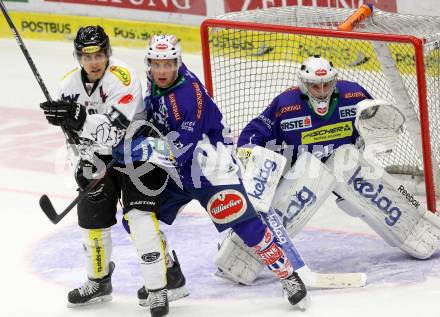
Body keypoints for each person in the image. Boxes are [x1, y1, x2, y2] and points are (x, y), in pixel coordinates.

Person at [113, 34, 309, 317]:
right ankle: (170, 276)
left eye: (168, 64)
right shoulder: (155, 84)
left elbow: (178, 146)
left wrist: (131, 149)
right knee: (137, 219)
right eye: (157, 64)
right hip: (177, 171)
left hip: (209, 169)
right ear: (149, 64)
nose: (162, 71)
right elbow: (154, 122)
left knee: (247, 225)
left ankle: (288, 276)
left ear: (178, 63)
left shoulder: (188, 95)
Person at [213, 55, 440, 286]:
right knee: (284, 209)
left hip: (344, 165)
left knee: (359, 180)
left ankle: (420, 231)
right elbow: (253, 133)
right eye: (315, 85)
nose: (321, 91)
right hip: (297, 170)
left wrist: (372, 142)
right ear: (303, 84)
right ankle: (241, 251)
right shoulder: (285, 104)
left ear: (335, 81)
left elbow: (375, 122)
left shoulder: (353, 95)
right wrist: (253, 155)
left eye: (326, 84)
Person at [39, 26, 188, 310]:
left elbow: (114, 134)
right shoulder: (67, 87)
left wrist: (79, 117)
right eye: (86, 56)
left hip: (139, 152)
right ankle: (99, 281)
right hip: (101, 157)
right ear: (78, 57)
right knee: (91, 214)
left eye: (99, 54)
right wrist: (83, 158)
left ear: (108, 53)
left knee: (139, 219)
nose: (93, 62)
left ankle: (163, 284)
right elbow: (78, 137)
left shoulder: (124, 77)